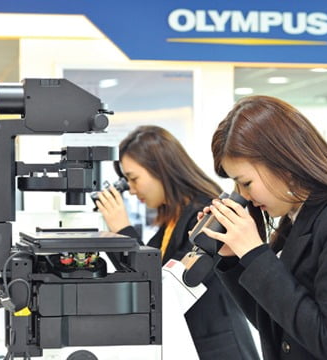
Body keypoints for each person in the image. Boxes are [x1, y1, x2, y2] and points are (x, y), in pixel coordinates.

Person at [205, 95, 327, 359]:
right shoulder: (294, 220)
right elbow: (273, 323)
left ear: (282, 163)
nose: (243, 196)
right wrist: (232, 257)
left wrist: (255, 254)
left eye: (246, 183)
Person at [95, 125, 259, 360]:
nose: (130, 190)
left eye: (133, 179)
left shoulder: (205, 214)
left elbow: (173, 286)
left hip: (218, 349)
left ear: (161, 170)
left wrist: (123, 230)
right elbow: (148, 275)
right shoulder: (172, 219)